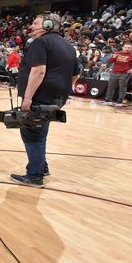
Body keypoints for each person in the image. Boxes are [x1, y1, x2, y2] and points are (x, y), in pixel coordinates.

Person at [12, 12, 79, 187]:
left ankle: (35, 175)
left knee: (32, 135)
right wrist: (64, 89)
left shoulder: (40, 42)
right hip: (57, 99)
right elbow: (76, 74)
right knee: (40, 133)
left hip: (39, 98)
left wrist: (27, 97)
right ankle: (42, 167)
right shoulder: (69, 46)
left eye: (35, 23)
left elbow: (39, 71)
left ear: (48, 25)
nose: (31, 26)